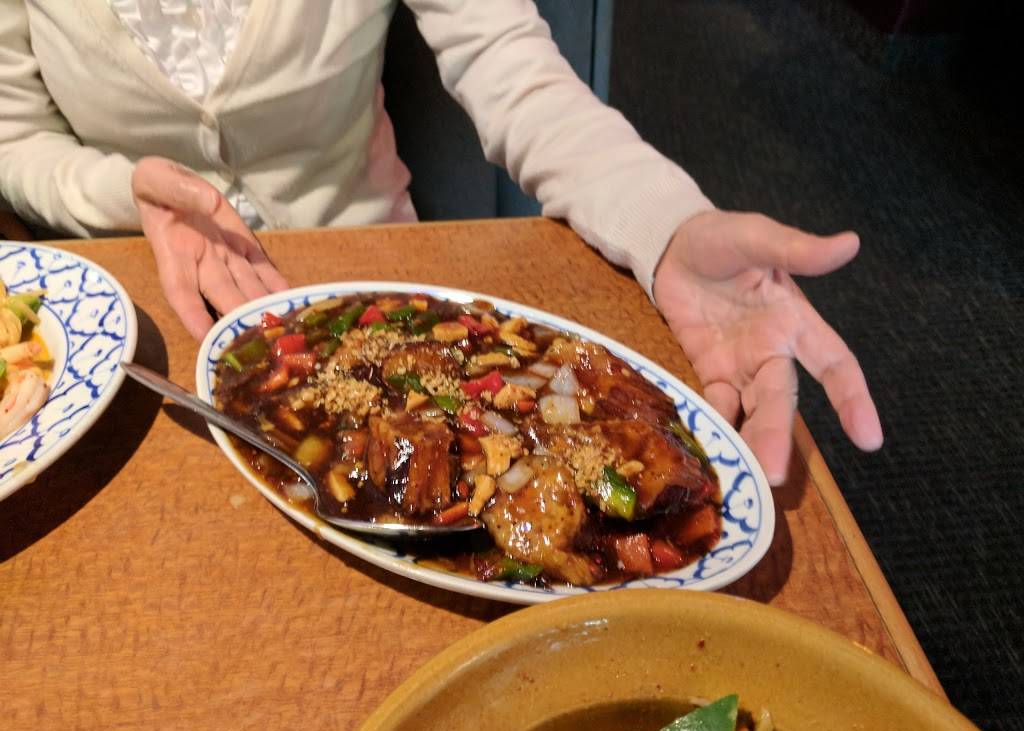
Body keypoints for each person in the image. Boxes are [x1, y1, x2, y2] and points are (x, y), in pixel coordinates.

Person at [0, 0, 882, 484]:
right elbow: (12, 134)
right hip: (135, 324)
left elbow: (511, 67)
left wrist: (667, 224)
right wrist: (123, 191)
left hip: (379, 291)